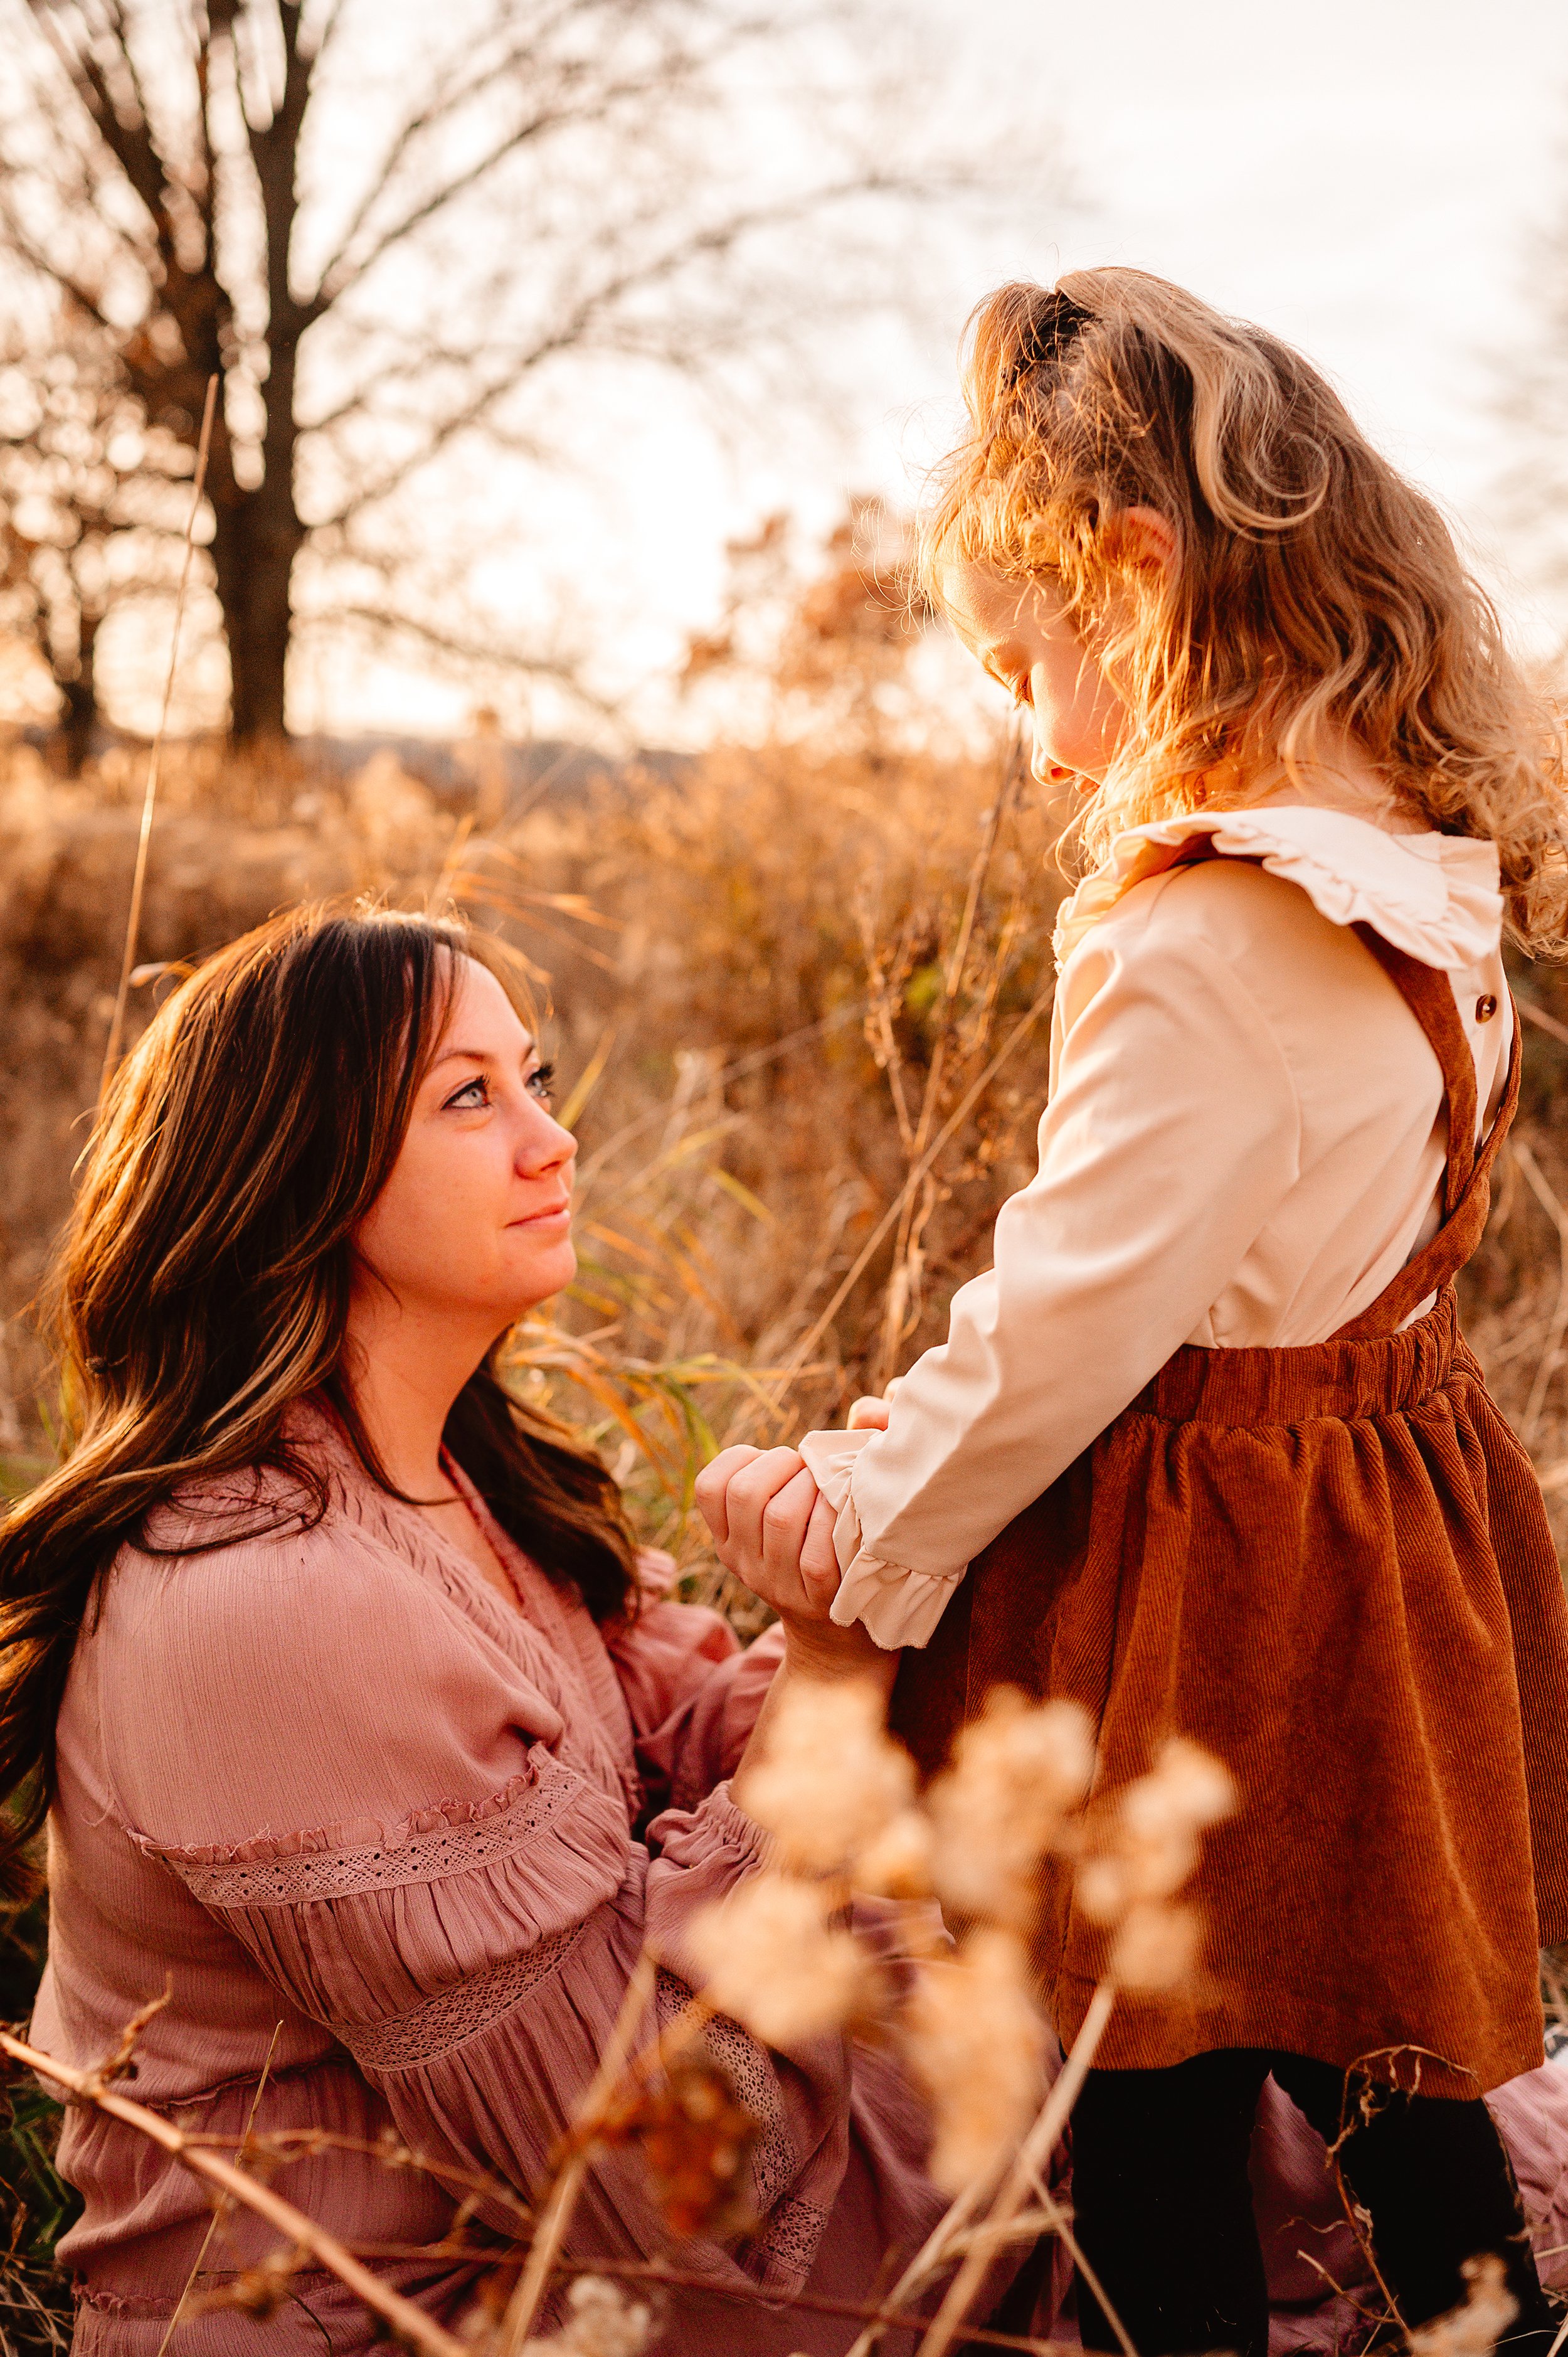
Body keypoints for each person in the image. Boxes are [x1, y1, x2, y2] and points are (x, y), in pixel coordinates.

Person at [696, 271, 1568, 2357]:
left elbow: (1067, 1318)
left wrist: (846, 1503)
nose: (1024, 723)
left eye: (1020, 663)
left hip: (1206, 1589)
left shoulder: (1203, 925)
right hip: (1381, 1535)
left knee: (1147, 2092)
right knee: (1384, 2041)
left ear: (1135, 569)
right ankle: (1497, 2332)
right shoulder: (1412, 873)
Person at [0, 906, 943, 2355]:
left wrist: (895, 1551)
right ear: (300, 1168)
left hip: (524, 2275)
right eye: (468, 1096)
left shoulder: (443, 1480)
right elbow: (680, 2177)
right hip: (389, 2325)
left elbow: (661, 1742)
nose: (550, 1139)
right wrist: (827, 1661)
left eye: (537, 1078)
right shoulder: (268, 1598)